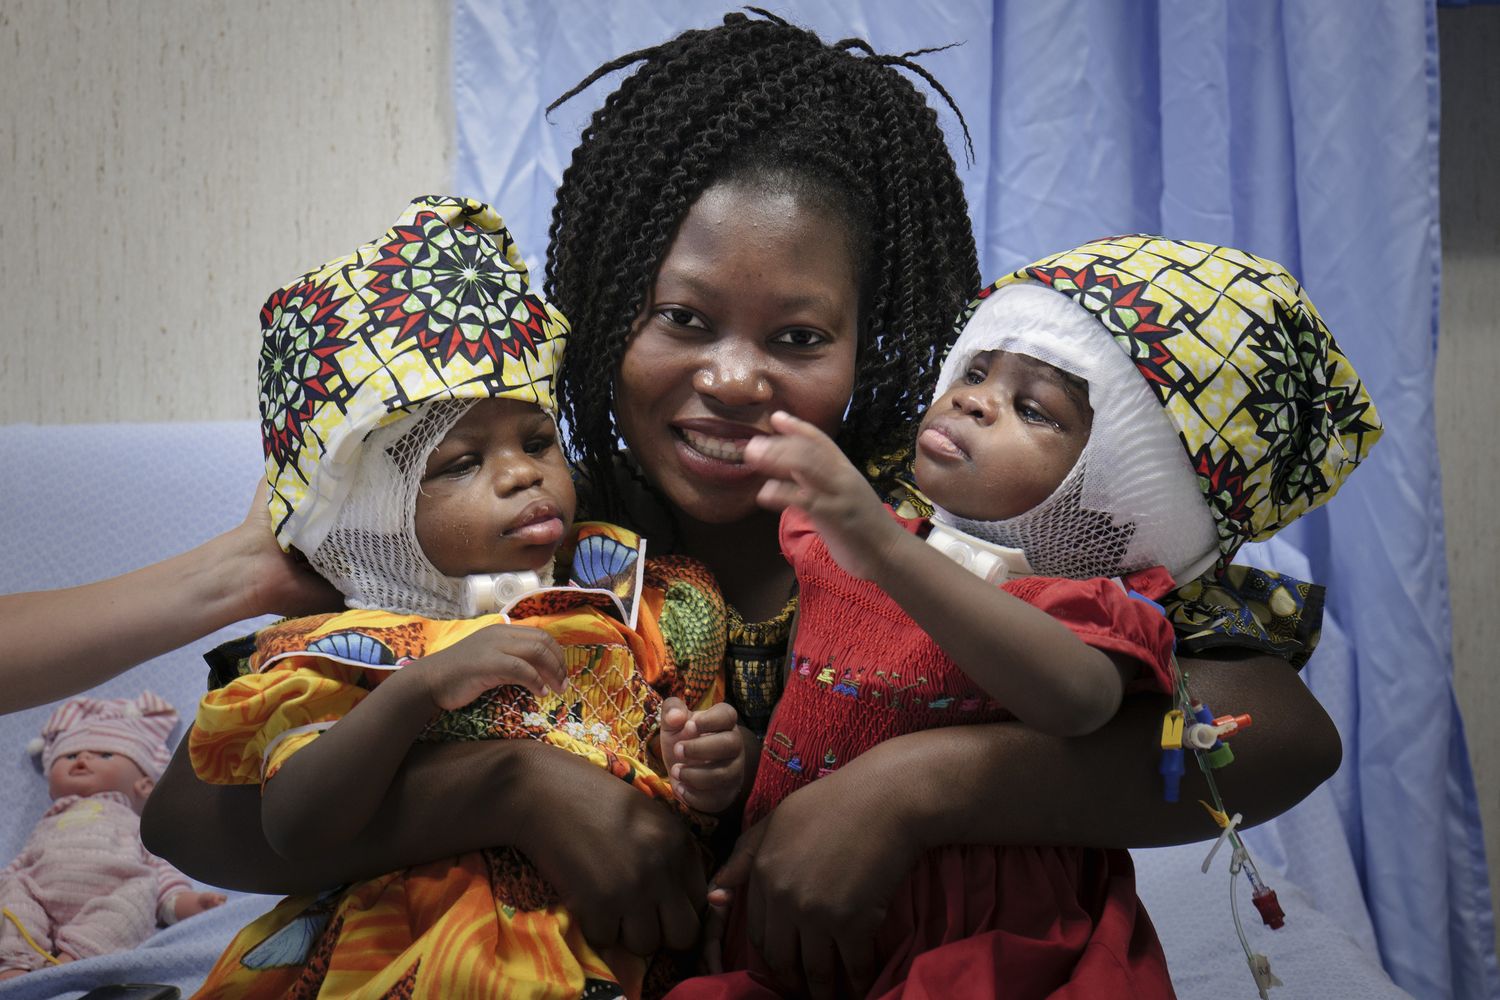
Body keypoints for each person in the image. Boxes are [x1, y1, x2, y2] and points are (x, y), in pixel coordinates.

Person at [0, 11, 1332, 996]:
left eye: (799, 336)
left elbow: (1267, 737)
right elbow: (196, 820)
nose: (732, 379)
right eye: (682, 319)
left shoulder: (966, 534)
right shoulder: (513, 534)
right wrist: (509, 789)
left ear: (881, 340)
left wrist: (929, 786)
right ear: (601, 308)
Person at [670, 235, 1381, 997]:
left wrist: (881, 545)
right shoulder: (840, 540)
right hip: (804, 938)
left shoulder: (1088, 603)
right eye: (975, 370)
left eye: (1034, 409)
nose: (974, 397)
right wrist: (743, 761)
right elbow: (830, 706)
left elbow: (1080, 700)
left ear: (1124, 489)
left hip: (985, 943)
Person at [186, 194, 745, 999]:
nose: (520, 473)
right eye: (460, 464)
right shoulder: (343, 648)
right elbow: (295, 826)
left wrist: (715, 766)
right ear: (380, 515)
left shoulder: (634, 600)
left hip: (612, 956)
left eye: (534, 440)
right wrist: (415, 691)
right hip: (402, 963)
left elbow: (697, 788)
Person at [0, 692, 225, 979]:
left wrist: (181, 902)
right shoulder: (49, 820)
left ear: (144, 784)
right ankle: (15, 963)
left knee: (138, 894)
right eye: (70, 755)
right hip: (39, 894)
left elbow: (159, 868)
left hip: (111, 896)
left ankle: (74, 961)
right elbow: (23, 861)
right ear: (51, 788)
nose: (82, 758)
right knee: (13, 892)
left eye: (105, 755)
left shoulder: (135, 821)